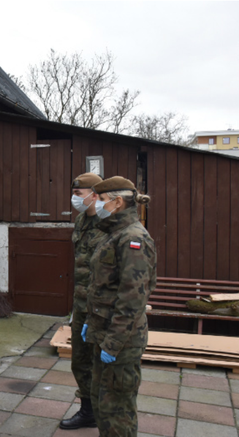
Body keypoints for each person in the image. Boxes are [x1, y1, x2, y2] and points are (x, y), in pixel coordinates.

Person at [82, 176, 156, 437]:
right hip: (105, 333)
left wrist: (113, 343)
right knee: (102, 402)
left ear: (117, 202)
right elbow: (103, 287)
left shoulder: (133, 239)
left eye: (101, 200)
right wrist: (91, 322)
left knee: (117, 410)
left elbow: (132, 299)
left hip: (120, 340)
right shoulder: (113, 234)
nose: (97, 204)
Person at [60, 172, 104, 430]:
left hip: (101, 306)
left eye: (78, 194)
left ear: (94, 195)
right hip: (82, 303)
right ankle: (88, 411)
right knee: (80, 360)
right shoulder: (80, 222)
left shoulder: (107, 222)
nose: (74, 199)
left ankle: (103, 411)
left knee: (100, 362)